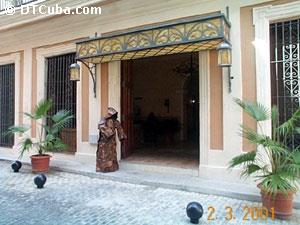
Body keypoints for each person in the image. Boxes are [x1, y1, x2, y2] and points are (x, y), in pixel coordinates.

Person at [96, 107, 126, 172]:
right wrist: (109, 133)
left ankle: (112, 167)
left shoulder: (115, 121)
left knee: (112, 154)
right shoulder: (103, 120)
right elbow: (101, 127)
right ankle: (103, 168)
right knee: (104, 154)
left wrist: (121, 136)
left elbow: (120, 129)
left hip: (112, 141)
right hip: (104, 141)